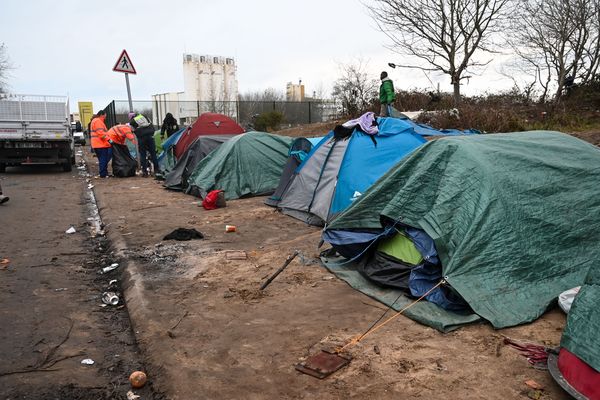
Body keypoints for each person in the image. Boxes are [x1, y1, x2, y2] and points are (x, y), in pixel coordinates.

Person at [128, 112, 159, 177]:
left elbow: (132, 130)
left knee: (143, 154)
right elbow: (150, 123)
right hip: (150, 136)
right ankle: (157, 171)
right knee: (153, 153)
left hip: (142, 138)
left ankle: (145, 172)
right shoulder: (145, 116)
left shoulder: (132, 122)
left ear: (131, 117)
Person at [90, 110, 112, 178]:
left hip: (97, 144)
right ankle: (103, 174)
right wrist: (109, 139)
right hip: (100, 144)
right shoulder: (98, 121)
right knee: (103, 159)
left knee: (102, 159)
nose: (105, 117)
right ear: (102, 114)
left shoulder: (96, 121)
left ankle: (104, 173)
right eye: (105, 115)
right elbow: (101, 133)